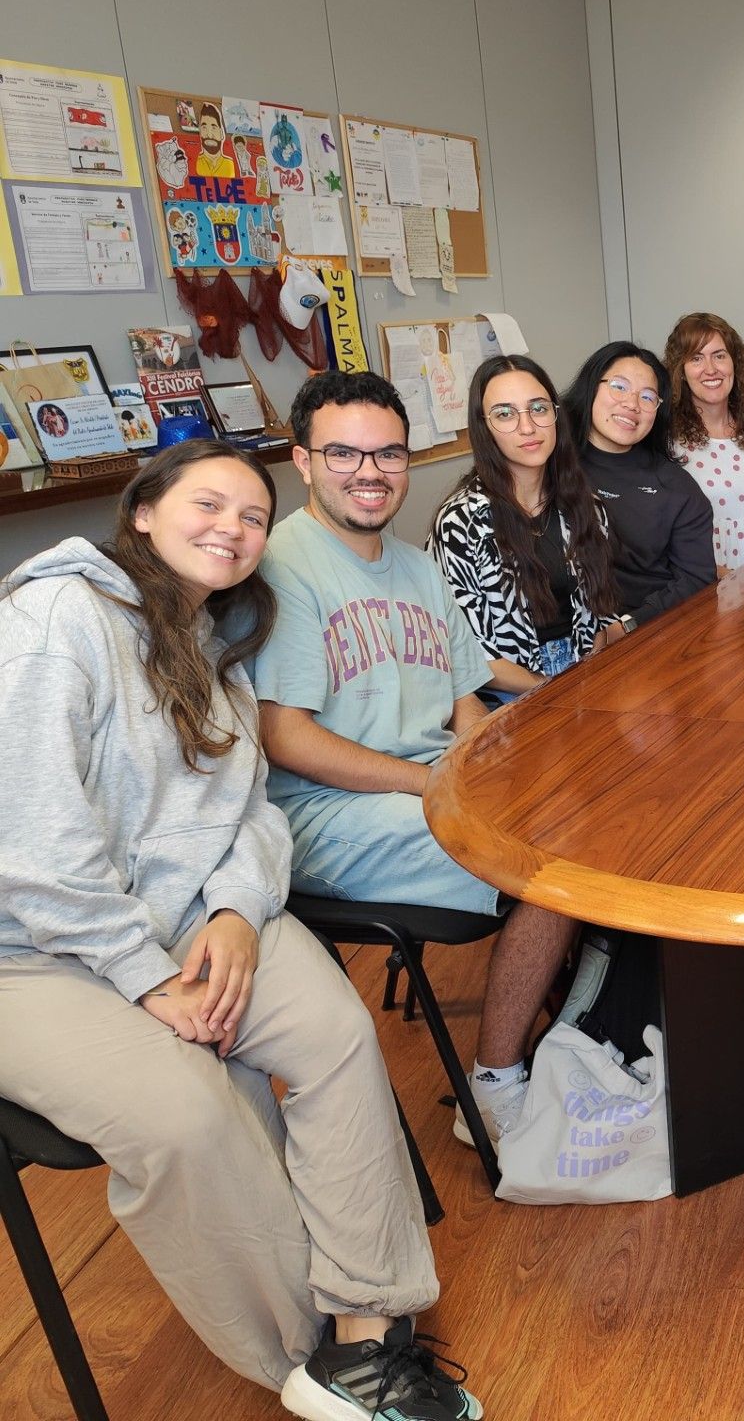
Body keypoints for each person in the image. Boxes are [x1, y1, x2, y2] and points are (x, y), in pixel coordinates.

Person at [0, 440, 482, 1420]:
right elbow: (31, 844)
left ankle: (369, 1325)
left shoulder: (217, 645)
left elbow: (250, 813)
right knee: (185, 1115)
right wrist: (145, 975)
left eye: (252, 517)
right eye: (208, 504)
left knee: (336, 1036)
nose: (232, 528)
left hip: (182, 918)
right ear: (144, 512)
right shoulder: (55, 618)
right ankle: (307, 1360)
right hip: (31, 951)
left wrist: (235, 912)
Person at [250, 370, 580, 1149]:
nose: (370, 473)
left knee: (594, 813)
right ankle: (495, 1087)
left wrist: (486, 768)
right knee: (558, 865)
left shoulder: (415, 566)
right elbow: (285, 737)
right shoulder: (281, 568)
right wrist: (436, 782)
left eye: (388, 454)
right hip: (327, 817)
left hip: (430, 785)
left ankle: (578, 1038)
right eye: (344, 454)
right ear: (302, 462)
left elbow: (466, 698)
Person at [431, 354, 622, 699]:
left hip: (587, 672)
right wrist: (552, 691)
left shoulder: (586, 505)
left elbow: (601, 611)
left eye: (538, 408)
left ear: (556, 415)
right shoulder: (460, 522)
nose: (527, 427)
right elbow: (470, 652)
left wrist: (590, 671)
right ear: (483, 427)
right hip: (506, 692)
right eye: (504, 414)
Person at [562, 341, 716, 630]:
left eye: (647, 397)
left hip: (646, 634)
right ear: (592, 386)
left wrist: (628, 626)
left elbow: (697, 578)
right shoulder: (551, 467)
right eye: (619, 387)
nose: (632, 404)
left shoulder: (676, 487)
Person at [665, 312, 744, 572]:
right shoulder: (668, 442)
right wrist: (727, 581)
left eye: (720, 355)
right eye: (696, 358)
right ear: (680, 371)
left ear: (735, 363)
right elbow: (663, 539)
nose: (710, 369)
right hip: (702, 589)